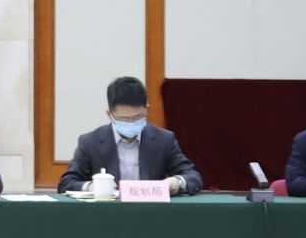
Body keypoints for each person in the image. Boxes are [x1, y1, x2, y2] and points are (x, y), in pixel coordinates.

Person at [57, 76, 202, 195]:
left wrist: (177, 182)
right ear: (110, 114)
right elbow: (66, 183)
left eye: (138, 117)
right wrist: (90, 187)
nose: (132, 123)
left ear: (147, 109)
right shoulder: (90, 142)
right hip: (107, 214)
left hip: (151, 212)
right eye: (124, 119)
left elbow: (193, 176)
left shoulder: (164, 139)